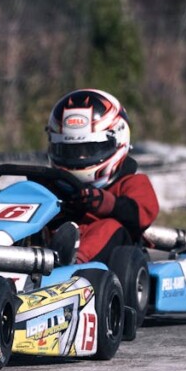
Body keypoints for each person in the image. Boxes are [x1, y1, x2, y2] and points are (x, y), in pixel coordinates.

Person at [46, 89, 159, 263]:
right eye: (70, 151)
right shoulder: (53, 184)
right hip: (52, 244)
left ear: (118, 141)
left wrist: (106, 203)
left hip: (109, 258)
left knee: (109, 226)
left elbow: (140, 216)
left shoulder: (133, 183)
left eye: (88, 150)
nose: (79, 158)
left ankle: (74, 262)